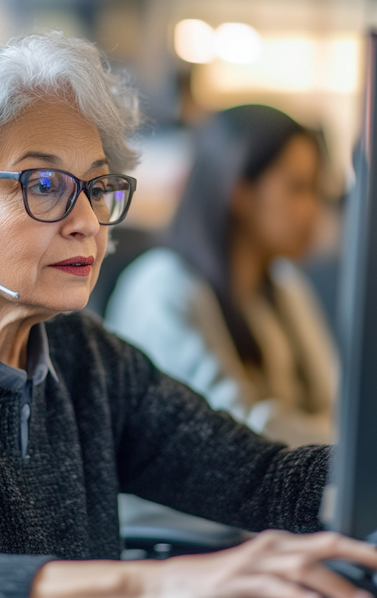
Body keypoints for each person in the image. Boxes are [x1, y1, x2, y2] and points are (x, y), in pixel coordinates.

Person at [0, 34, 377, 598]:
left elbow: (263, 480)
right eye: (43, 183)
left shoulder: (83, 356)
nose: (88, 222)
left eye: (97, 186)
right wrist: (154, 584)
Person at [106, 105, 336, 448]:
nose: (313, 210)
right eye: (298, 188)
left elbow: (337, 403)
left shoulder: (285, 287)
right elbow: (229, 431)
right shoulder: (162, 287)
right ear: (240, 190)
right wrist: (345, 448)